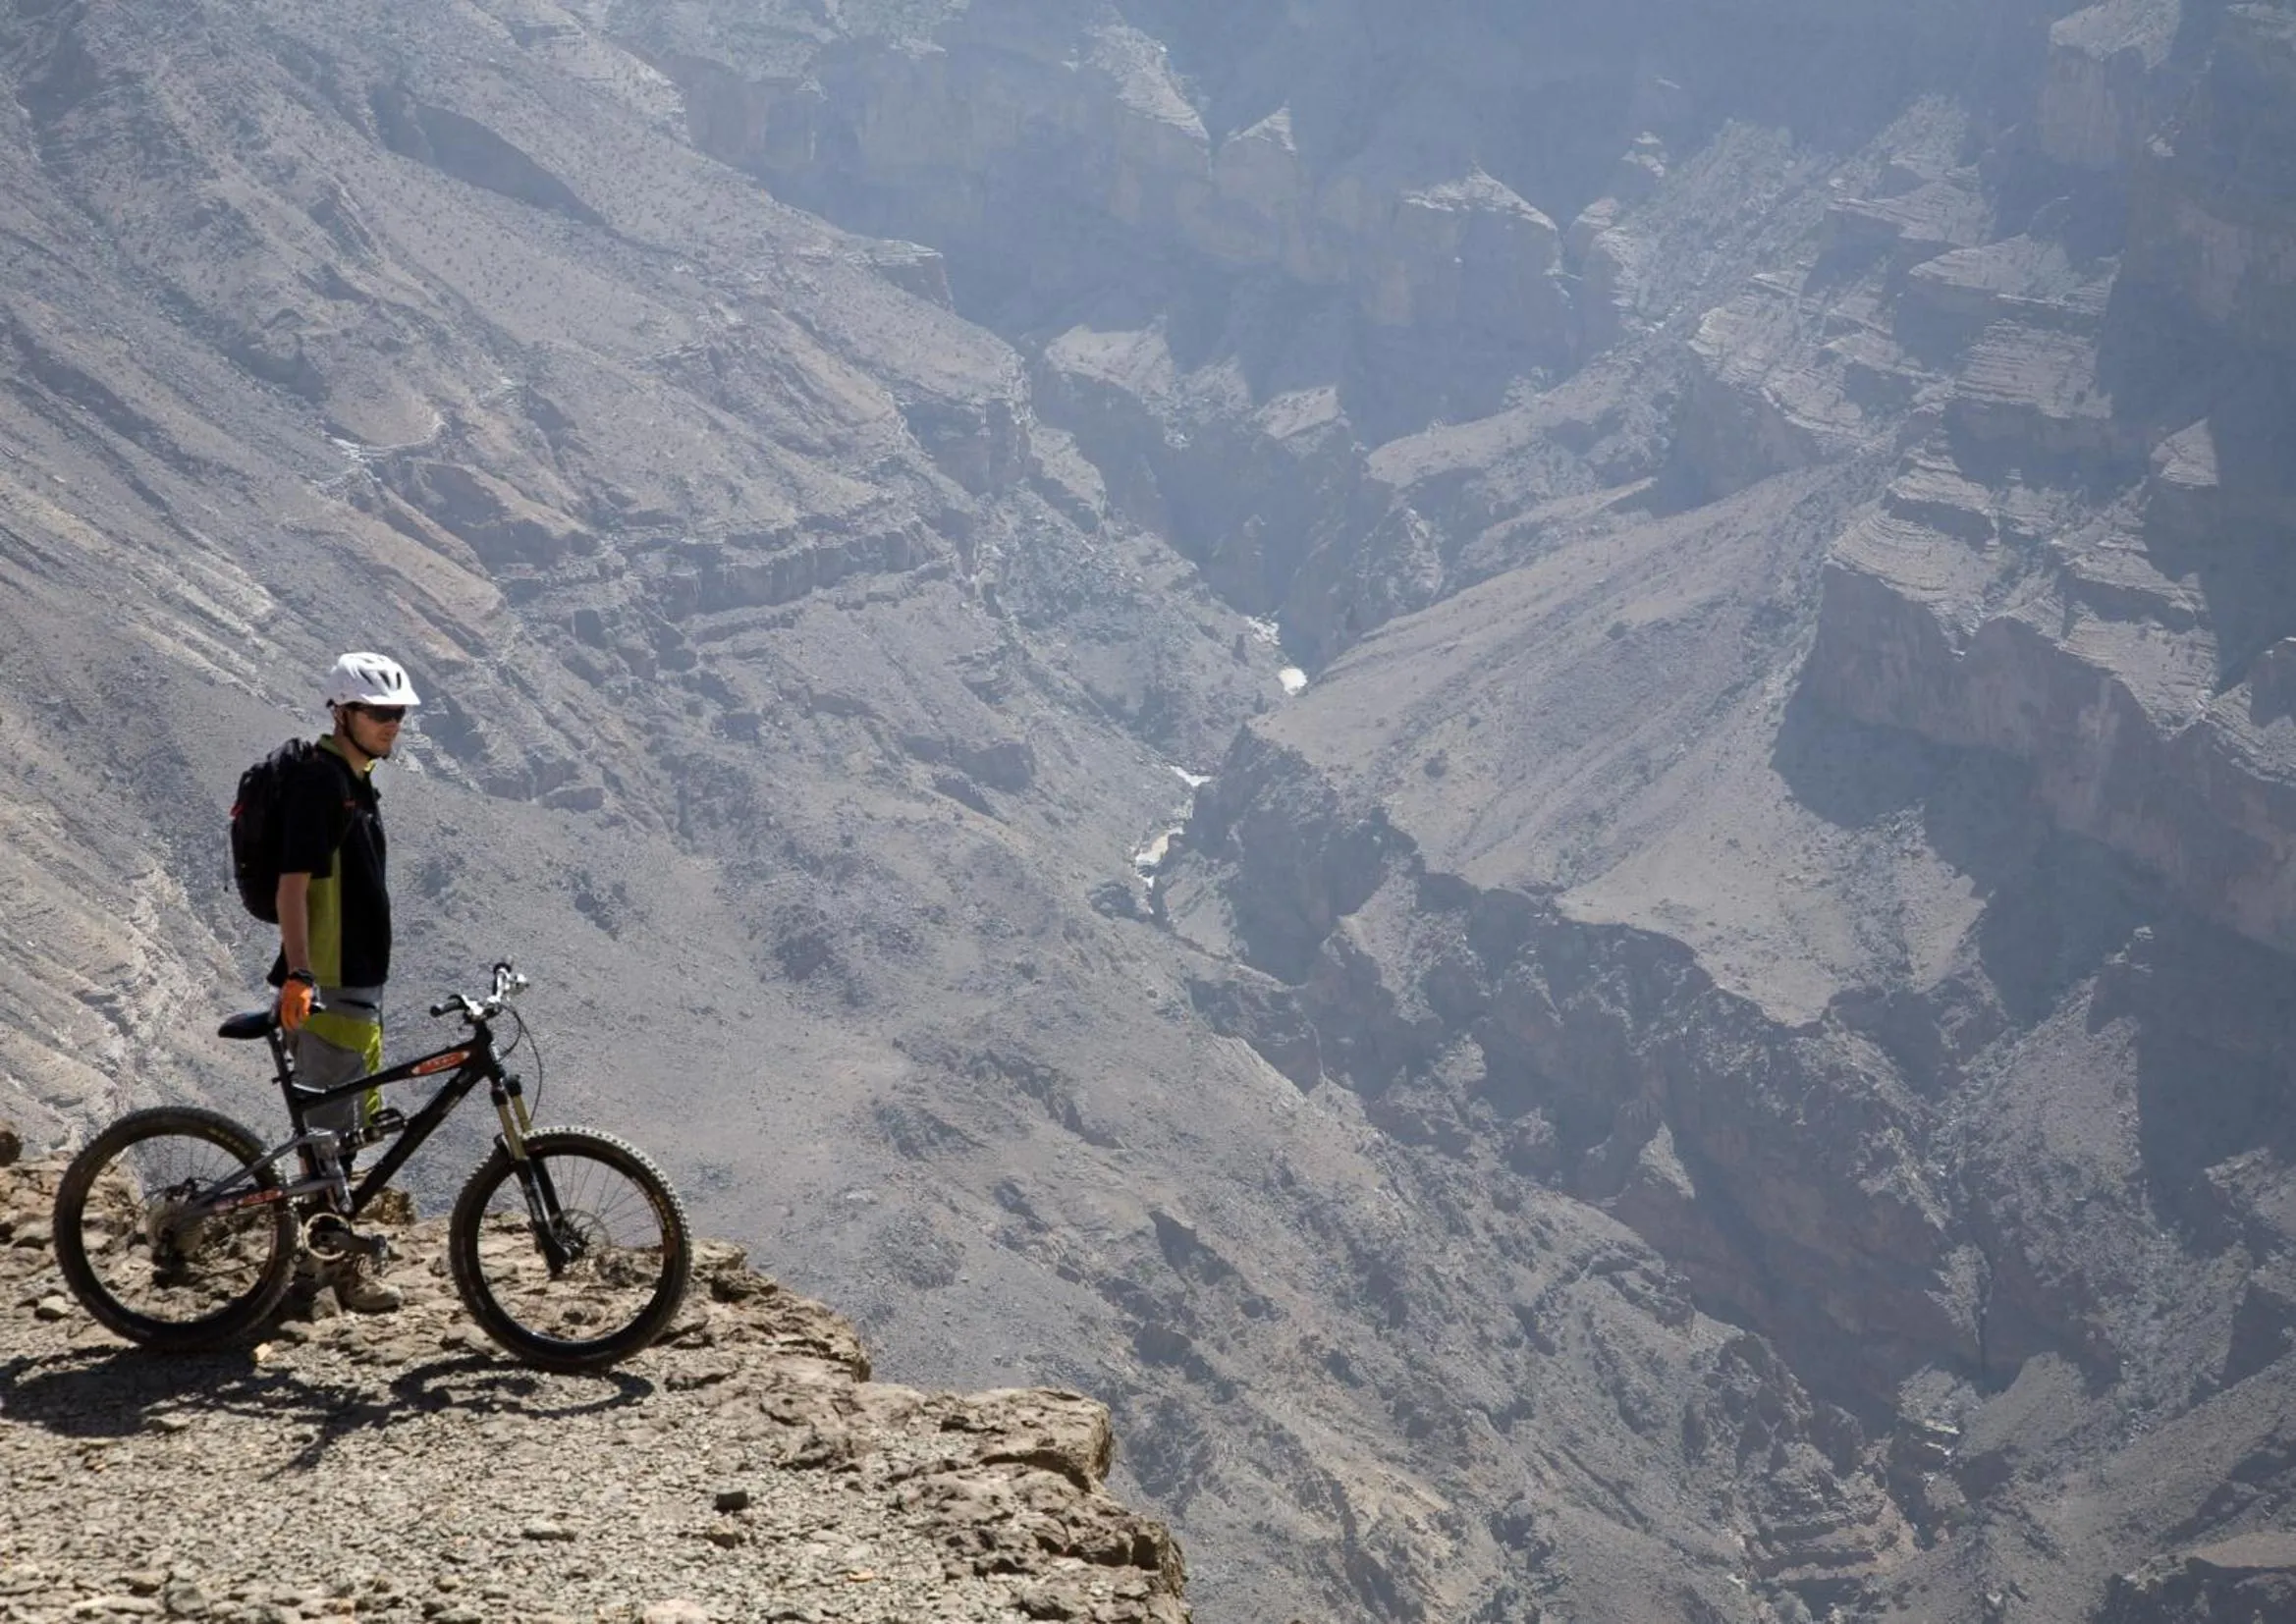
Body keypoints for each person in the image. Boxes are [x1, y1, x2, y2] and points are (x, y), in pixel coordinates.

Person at [270, 651, 421, 1314]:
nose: (393, 724)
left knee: (346, 1138)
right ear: (342, 712)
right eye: (379, 712)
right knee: (324, 1141)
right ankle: (305, 1285)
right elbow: (292, 885)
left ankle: (341, 1273)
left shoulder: (356, 781)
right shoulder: (321, 784)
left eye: (399, 713)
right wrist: (300, 973)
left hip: (361, 987)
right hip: (328, 987)